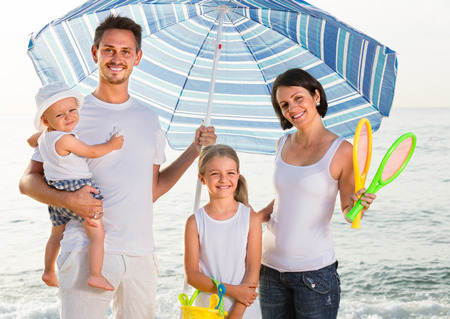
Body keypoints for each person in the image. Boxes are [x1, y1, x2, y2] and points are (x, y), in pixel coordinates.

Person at [19, 14, 216, 319]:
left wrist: (194, 150)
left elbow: (151, 190)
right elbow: (28, 180)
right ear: (95, 53)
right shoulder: (71, 114)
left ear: (137, 58)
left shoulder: (149, 119)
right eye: (109, 49)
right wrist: (67, 200)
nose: (117, 58)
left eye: (125, 51)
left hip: (141, 254)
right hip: (85, 252)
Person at [257, 68, 376, 319]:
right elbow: (285, 198)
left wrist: (358, 207)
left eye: (299, 98)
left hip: (314, 274)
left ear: (316, 96)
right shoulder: (282, 143)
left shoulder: (342, 151)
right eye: (284, 104)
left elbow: (348, 211)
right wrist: (250, 218)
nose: (292, 108)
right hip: (269, 271)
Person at [30, 82, 124, 291]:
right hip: (78, 188)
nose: (69, 117)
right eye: (60, 115)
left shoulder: (45, 137)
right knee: (97, 233)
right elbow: (91, 152)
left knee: (56, 234)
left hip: (56, 191)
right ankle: (95, 274)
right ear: (46, 120)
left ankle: (47, 271)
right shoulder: (65, 139)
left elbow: (30, 140)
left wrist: (43, 132)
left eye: (72, 110)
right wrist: (112, 145)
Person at [184, 144, 262, 319]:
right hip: (206, 311)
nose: (223, 179)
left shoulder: (251, 219)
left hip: (243, 311)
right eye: (214, 173)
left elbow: (253, 271)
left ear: (238, 175)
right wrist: (233, 290)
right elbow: (193, 276)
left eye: (230, 173)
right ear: (202, 178)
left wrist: (236, 314)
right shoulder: (194, 222)